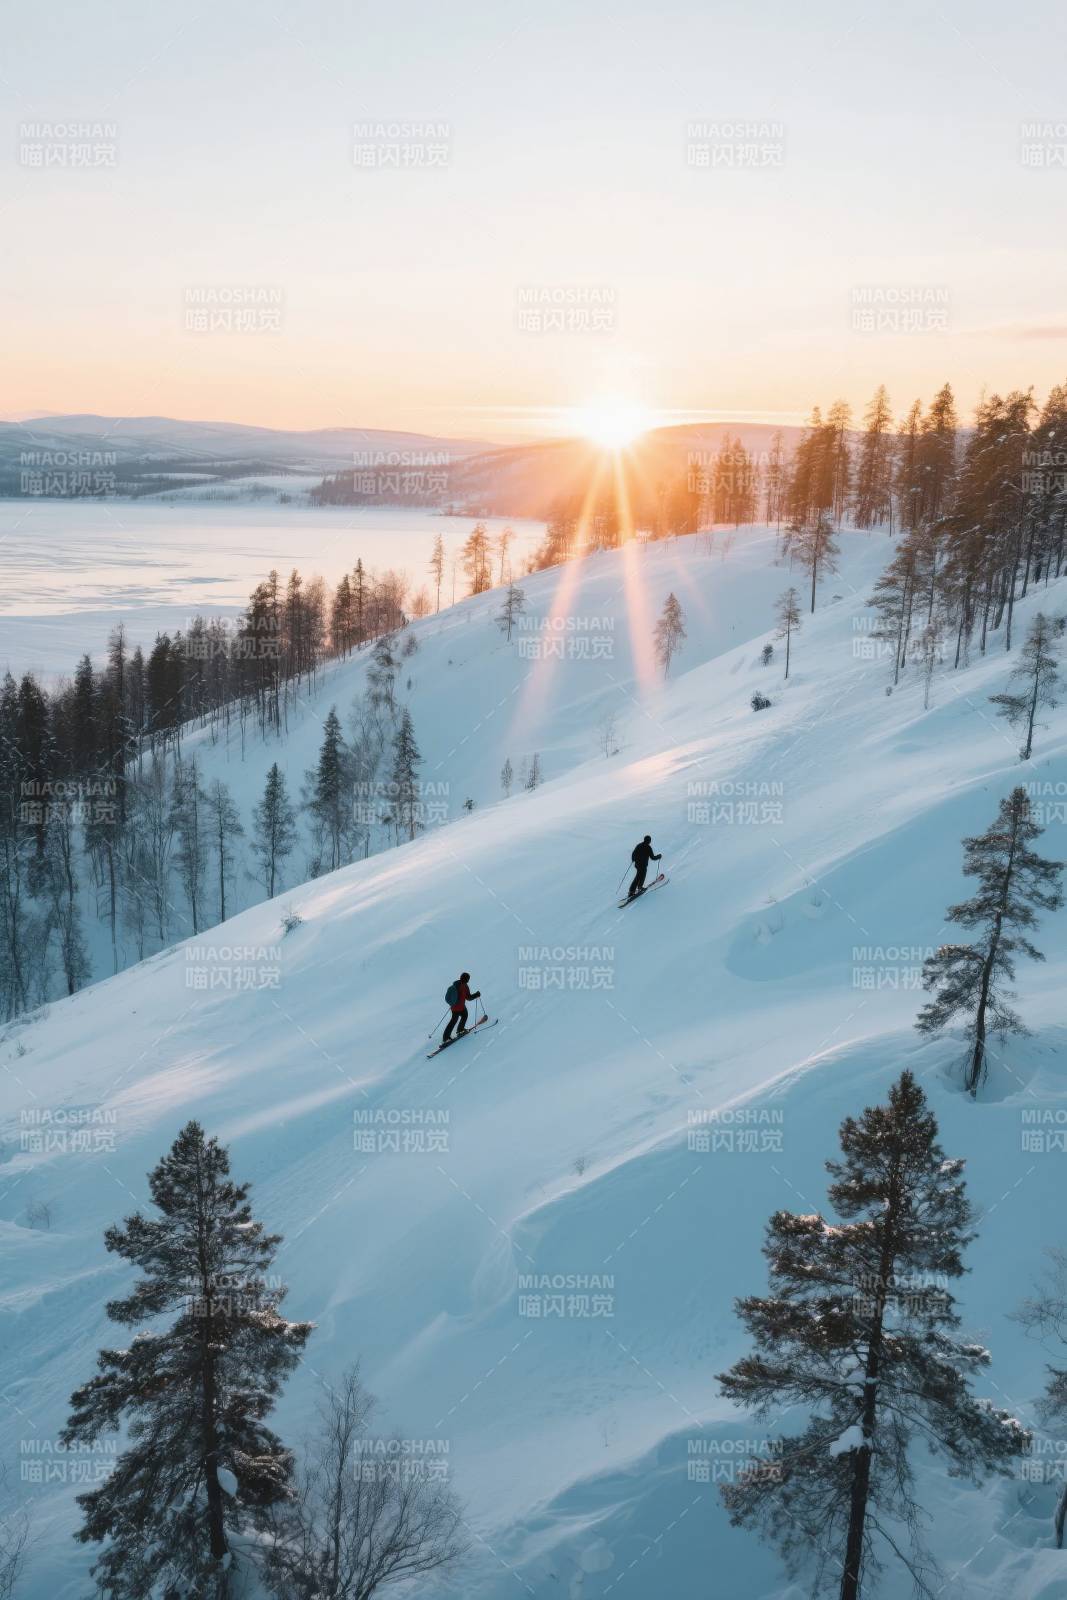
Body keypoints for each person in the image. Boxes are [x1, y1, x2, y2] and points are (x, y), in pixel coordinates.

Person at [443, 972, 481, 1043]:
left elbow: (468, 997)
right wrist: (476, 995)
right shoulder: (457, 986)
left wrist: (476, 995)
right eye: (467, 979)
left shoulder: (465, 986)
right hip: (456, 1008)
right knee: (454, 1021)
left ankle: (459, 1030)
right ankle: (446, 1038)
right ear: (465, 979)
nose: (468, 980)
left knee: (464, 1016)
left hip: (461, 1007)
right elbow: (468, 997)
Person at [628, 834, 661, 899]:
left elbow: (633, 853)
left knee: (639, 876)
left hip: (637, 864)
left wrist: (633, 859)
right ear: (649, 841)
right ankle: (636, 889)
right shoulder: (648, 848)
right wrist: (659, 856)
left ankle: (634, 890)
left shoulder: (639, 845)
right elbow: (653, 857)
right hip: (643, 865)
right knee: (640, 876)